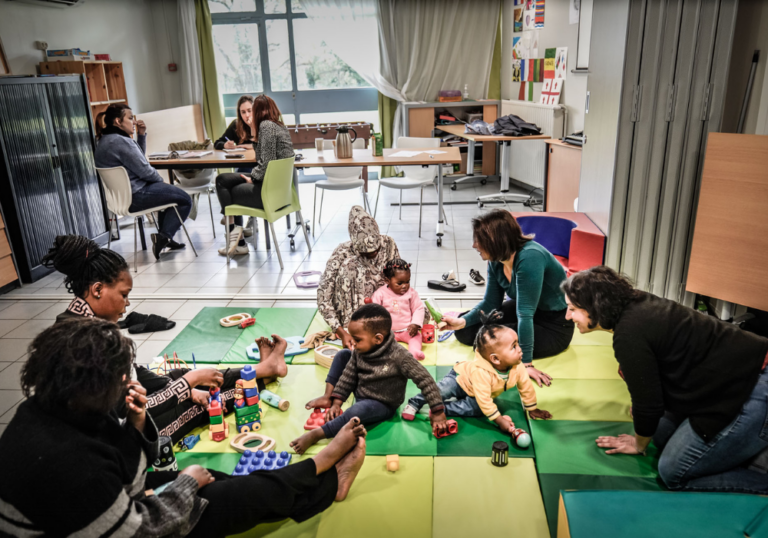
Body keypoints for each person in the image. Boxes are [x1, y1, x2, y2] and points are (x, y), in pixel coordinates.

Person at [0, 318, 368, 538]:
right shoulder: (69, 465)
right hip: (132, 527)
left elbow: (127, 483)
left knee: (220, 480)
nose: (130, 384)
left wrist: (139, 425)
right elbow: (147, 531)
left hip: (110, 517)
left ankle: (324, 479)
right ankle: (326, 469)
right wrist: (186, 483)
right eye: (122, 378)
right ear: (96, 386)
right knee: (236, 496)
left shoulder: (47, 408)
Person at [42, 234, 289, 443]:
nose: (127, 305)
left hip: (122, 408)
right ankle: (260, 377)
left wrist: (186, 383)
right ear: (97, 289)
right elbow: (129, 410)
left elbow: (132, 374)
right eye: (124, 295)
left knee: (181, 376)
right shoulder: (89, 341)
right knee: (200, 402)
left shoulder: (72, 320)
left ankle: (260, 370)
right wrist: (190, 384)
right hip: (117, 436)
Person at [562, 266, 768, 494]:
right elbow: (658, 378)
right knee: (659, 432)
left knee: (672, 472)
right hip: (727, 379)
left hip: (751, 390)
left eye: (572, 309)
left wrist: (638, 444)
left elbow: (648, 404)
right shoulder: (634, 302)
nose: (567, 316)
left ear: (595, 308)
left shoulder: (628, 335)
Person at [291, 304, 448, 455]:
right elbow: (349, 375)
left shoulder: (400, 357)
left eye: (357, 339)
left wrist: (438, 411)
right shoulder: (360, 351)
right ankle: (328, 397)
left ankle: (318, 434)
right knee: (342, 355)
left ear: (378, 339)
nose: (353, 342)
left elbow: (426, 380)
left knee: (357, 411)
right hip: (362, 389)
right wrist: (337, 402)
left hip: (382, 404)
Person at [441, 210, 574, 387]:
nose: (474, 245)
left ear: (496, 240)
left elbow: (525, 314)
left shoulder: (530, 257)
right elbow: (490, 303)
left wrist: (525, 364)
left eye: (479, 240)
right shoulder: (496, 260)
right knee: (465, 331)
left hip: (554, 326)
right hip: (527, 313)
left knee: (486, 342)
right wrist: (462, 322)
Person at [403, 310, 552, 428]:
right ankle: (415, 402)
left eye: (517, 344)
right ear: (495, 359)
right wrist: (500, 421)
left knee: (478, 410)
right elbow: (485, 399)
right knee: (443, 390)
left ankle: (444, 409)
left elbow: (525, 387)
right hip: (460, 379)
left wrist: (532, 408)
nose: (520, 350)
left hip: (477, 393)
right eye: (514, 347)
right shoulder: (481, 372)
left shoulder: (517, 367)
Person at [94, 103, 193, 261]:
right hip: (137, 196)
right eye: (130, 118)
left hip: (120, 200)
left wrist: (141, 135)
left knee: (166, 196)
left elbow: (136, 158)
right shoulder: (121, 141)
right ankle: (164, 237)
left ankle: (165, 237)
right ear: (118, 122)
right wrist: (161, 182)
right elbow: (145, 170)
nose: (134, 122)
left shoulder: (104, 140)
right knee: (185, 199)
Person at [214, 94, 294, 257]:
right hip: (279, 191)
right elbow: (264, 157)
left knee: (226, 187)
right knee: (223, 179)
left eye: (252, 110)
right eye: (244, 112)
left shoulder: (266, 127)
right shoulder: (278, 126)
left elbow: (266, 163)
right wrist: (253, 131)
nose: (249, 115)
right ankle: (236, 234)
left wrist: (253, 178)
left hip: (267, 193)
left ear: (258, 111)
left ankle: (237, 239)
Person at [318, 205, 401, 350]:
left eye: (376, 250)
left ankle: (378, 324)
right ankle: (356, 327)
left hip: (381, 309)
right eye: (366, 253)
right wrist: (341, 332)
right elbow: (323, 298)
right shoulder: (342, 253)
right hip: (351, 315)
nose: (372, 254)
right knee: (350, 266)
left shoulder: (388, 244)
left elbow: (399, 280)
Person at [371, 258, 426, 360]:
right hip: (388, 331)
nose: (405, 286)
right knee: (380, 342)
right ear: (387, 281)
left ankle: (414, 352)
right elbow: (374, 311)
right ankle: (387, 355)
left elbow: (418, 308)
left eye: (407, 282)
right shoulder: (380, 294)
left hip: (407, 330)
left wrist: (415, 324)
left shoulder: (411, 293)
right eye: (400, 283)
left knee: (417, 337)